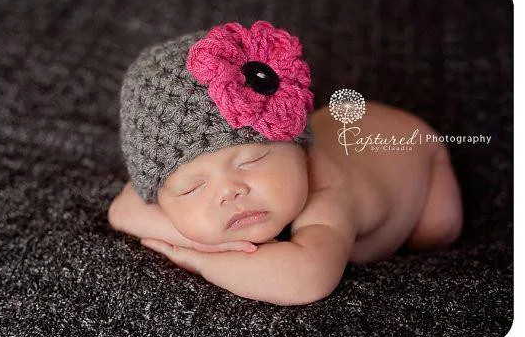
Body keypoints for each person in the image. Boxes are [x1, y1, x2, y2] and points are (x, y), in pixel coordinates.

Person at [108, 21, 463, 305]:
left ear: (298, 149)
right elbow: (123, 210)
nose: (230, 191)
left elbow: (308, 278)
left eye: (252, 160)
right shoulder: (177, 189)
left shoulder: (329, 192)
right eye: (192, 187)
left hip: (412, 149)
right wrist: (203, 239)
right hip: (342, 123)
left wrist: (198, 259)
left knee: (436, 230)